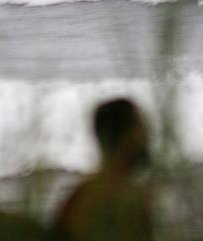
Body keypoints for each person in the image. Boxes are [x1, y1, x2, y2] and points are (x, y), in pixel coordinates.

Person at [54, 98, 152, 241]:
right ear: (130, 136)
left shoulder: (76, 200)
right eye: (142, 128)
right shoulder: (131, 202)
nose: (147, 138)